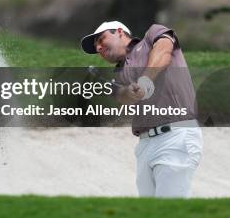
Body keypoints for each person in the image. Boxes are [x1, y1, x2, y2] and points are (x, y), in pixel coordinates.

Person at [80, 21, 203, 198]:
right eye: (95, 47)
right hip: (145, 145)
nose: (98, 48)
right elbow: (123, 96)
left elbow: (163, 51)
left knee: (171, 210)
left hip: (175, 135)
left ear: (120, 32)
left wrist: (145, 81)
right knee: (150, 215)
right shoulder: (119, 72)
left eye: (101, 39)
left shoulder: (152, 35)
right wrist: (128, 92)